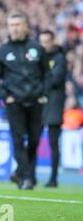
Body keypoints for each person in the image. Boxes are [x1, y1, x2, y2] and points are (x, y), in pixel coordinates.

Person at [0, 11, 49, 190]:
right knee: (17, 140)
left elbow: (47, 74)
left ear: (25, 26)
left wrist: (42, 93)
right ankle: (28, 177)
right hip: (14, 103)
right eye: (11, 25)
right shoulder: (1, 52)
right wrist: (5, 96)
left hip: (36, 101)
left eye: (17, 25)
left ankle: (21, 173)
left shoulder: (37, 49)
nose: (14, 28)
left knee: (35, 140)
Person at [39, 30, 67, 188]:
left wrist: (39, 86)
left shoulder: (59, 58)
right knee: (34, 140)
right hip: (40, 104)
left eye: (47, 41)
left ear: (53, 41)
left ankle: (54, 178)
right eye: (42, 41)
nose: (44, 45)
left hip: (54, 105)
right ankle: (28, 175)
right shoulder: (38, 59)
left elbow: (55, 79)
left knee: (53, 143)